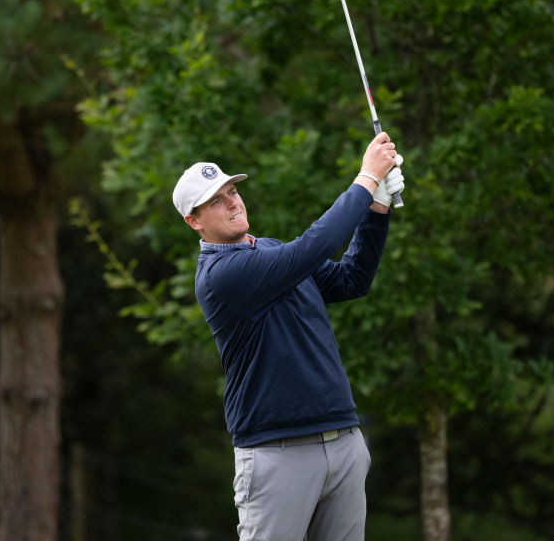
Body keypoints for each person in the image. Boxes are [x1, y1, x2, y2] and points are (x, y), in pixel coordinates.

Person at [171, 131, 405, 541]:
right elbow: (316, 246)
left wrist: (377, 207)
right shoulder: (221, 276)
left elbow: (352, 279)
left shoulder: (271, 252)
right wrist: (366, 178)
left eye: (231, 191)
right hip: (275, 452)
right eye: (216, 201)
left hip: (344, 439)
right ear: (194, 221)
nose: (232, 202)